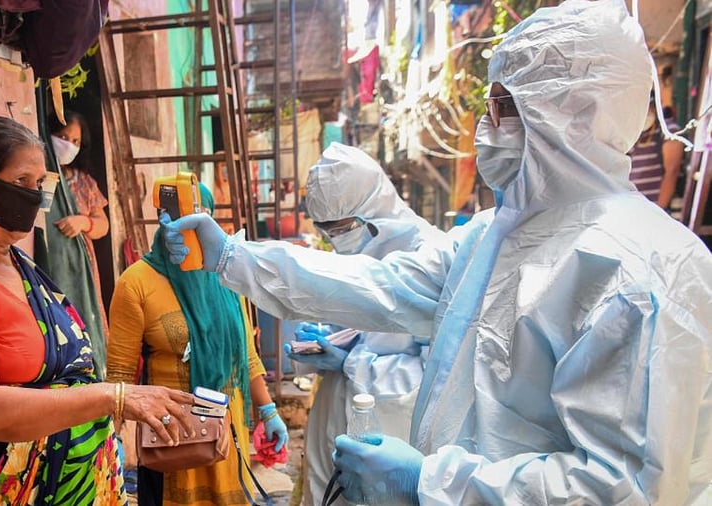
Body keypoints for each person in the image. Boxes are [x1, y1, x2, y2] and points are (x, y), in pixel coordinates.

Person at [161, 1, 712, 504]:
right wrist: (231, 255)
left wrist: (429, 482)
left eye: (501, 107)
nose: (484, 127)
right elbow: (381, 287)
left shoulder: (636, 272)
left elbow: (624, 488)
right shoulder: (494, 237)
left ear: (563, 115)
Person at [0, 116, 196, 505]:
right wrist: (113, 398)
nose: (34, 195)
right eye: (22, 181)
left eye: (40, 184)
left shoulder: (21, 266)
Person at [106, 182, 288, 506]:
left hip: (226, 434)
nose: (181, 226)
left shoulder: (227, 277)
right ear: (161, 219)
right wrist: (111, 435)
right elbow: (120, 372)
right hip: (170, 436)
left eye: (195, 216)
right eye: (171, 215)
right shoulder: (135, 283)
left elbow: (245, 353)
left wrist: (268, 410)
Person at [284, 143, 439, 506]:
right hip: (334, 415)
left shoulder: (429, 257)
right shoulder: (357, 253)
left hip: (389, 437)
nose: (334, 240)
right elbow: (356, 327)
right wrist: (324, 341)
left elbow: (434, 377)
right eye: (326, 230)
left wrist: (351, 363)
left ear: (373, 207)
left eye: (341, 229)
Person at [49, 110, 110, 339]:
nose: (69, 146)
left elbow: (103, 225)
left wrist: (83, 222)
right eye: (63, 138)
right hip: (50, 263)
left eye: (75, 141)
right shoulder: (36, 175)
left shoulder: (83, 181)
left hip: (82, 267)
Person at [627, 92, 684, 210]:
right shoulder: (633, 135)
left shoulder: (668, 131)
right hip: (637, 210)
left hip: (660, 211)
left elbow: (672, 172)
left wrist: (659, 210)